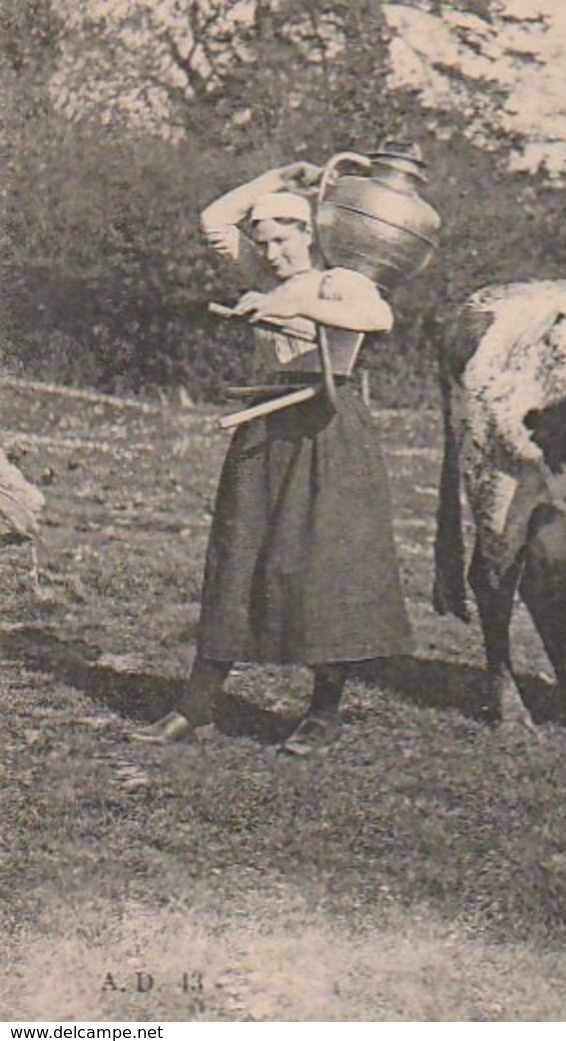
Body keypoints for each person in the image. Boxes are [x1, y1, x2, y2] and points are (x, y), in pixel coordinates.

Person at [132, 162, 413, 755]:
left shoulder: (341, 281)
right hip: (265, 426)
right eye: (263, 245)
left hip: (327, 429)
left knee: (322, 566)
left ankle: (323, 713)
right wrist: (281, 174)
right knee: (237, 555)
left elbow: (377, 319)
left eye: (283, 241)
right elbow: (214, 220)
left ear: (308, 234)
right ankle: (196, 703)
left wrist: (295, 312)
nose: (273, 255)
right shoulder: (265, 276)